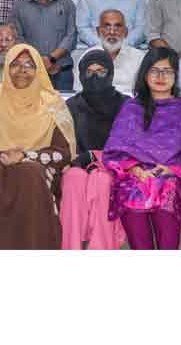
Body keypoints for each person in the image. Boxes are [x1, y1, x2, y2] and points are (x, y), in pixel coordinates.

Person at [0, 45, 76, 249]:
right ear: (6, 68)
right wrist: (0, 155)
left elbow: (63, 152)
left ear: (39, 70)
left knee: (29, 172)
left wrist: (25, 156)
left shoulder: (53, 103)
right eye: (15, 64)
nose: (22, 70)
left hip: (38, 167)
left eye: (29, 65)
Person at [102, 47, 181, 249]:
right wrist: (134, 168)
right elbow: (115, 149)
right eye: (155, 70)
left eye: (167, 71)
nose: (161, 76)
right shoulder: (131, 108)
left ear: (176, 76)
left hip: (171, 178)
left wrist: (172, 170)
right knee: (134, 196)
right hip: (135, 178)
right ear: (145, 74)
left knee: (167, 192)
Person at [60, 49, 129, 250]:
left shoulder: (125, 104)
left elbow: (129, 145)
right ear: (81, 75)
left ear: (111, 73)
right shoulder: (72, 105)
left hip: (113, 167)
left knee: (102, 181)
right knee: (72, 178)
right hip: (78, 164)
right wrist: (81, 161)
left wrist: (96, 158)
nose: (95, 77)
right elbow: (65, 142)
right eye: (89, 72)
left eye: (101, 71)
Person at [9, 0, 77, 90]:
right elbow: (18, 38)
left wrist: (51, 59)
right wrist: (38, 60)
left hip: (61, 71)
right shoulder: (19, 7)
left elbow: (71, 35)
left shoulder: (67, 4)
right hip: (30, 71)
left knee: (63, 104)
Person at [73, 9, 144, 93]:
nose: (112, 32)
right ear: (98, 31)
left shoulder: (139, 58)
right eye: (107, 26)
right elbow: (79, 91)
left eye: (117, 26)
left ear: (125, 32)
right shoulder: (86, 57)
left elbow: (143, 93)